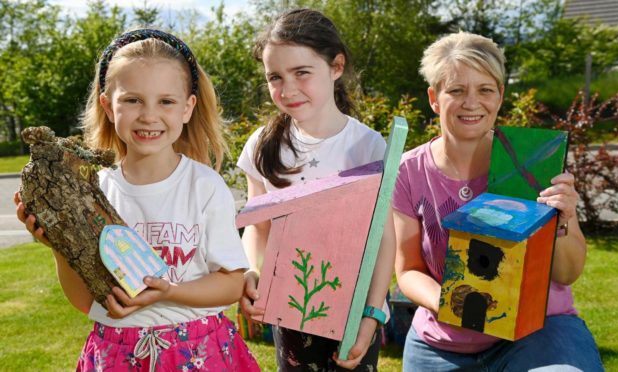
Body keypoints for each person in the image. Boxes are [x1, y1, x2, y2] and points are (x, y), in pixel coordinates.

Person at [15, 29, 260, 372]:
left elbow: (232, 283)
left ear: (188, 108)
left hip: (198, 353)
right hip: (116, 354)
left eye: (166, 101)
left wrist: (168, 291)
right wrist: (58, 246)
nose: (148, 115)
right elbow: (87, 302)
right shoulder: (92, 191)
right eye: (132, 100)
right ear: (108, 106)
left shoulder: (203, 186)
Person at [392, 31, 604, 371]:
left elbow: (567, 273)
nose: (471, 103)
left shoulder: (530, 164)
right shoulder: (409, 171)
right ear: (434, 97)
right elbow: (409, 270)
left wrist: (564, 220)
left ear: (500, 96)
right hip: (442, 344)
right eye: (457, 90)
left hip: (537, 334)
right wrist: (448, 305)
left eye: (485, 90)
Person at [236, 8, 396, 371]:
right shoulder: (263, 145)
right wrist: (250, 271)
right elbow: (257, 225)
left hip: (354, 309)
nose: (287, 89)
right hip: (290, 308)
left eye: (301, 73)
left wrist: (371, 314)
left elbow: (384, 238)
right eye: (275, 77)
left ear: (336, 66)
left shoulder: (367, 146)